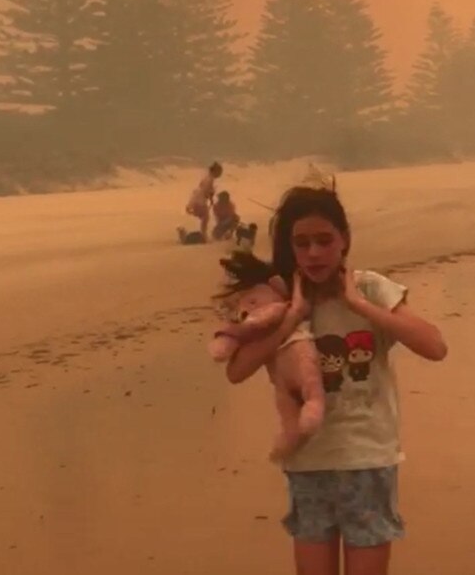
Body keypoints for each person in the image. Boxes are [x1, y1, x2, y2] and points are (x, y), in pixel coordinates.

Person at [224, 183, 447, 575]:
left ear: (344, 240)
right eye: (303, 243)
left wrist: (358, 304)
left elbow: (434, 345)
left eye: (324, 240)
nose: (314, 253)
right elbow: (237, 370)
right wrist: (292, 318)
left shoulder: (372, 288)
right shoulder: (276, 303)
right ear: (291, 248)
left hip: (368, 460)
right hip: (308, 463)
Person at [186, 162, 223, 240]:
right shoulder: (209, 179)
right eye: (219, 172)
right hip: (200, 200)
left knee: (204, 217)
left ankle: (203, 234)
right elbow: (205, 190)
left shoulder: (208, 177)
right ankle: (203, 235)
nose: (220, 174)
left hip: (198, 199)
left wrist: (210, 197)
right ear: (215, 171)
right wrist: (210, 197)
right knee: (205, 217)